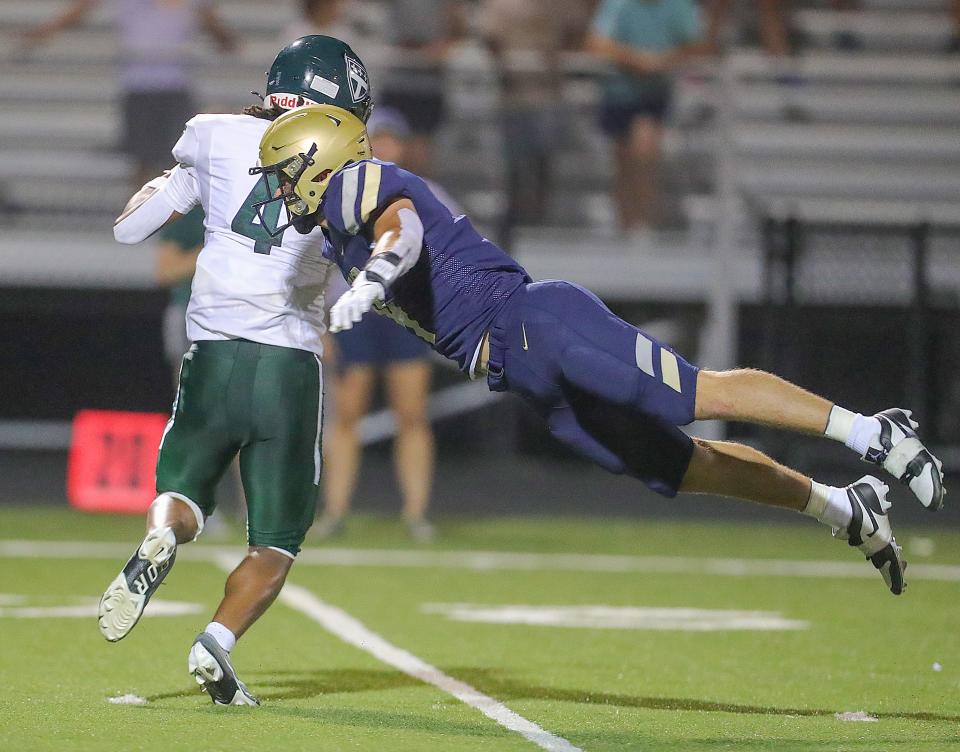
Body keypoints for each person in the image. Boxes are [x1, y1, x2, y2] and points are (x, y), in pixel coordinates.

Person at [251, 104, 947, 600]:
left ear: (319, 160)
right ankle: (841, 507)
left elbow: (400, 232)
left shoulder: (357, 185)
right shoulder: (335, 234)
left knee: (695, 396)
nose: (282, 190)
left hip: (539, 324)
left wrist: (375, 277)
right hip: (520, 374)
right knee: (685, 468)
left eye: (286, 172)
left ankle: (873, 431)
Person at [98, 36, 374, 707]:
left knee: (185, 492)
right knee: (275, 542)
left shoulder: (214, 136)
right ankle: (215, 640)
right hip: (289, 365)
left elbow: (130, 232)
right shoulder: (353, 169)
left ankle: (163, 535)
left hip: (213, 352)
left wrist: (178, 182)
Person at [315, 109, 454, 543]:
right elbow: (318, 260)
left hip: (405, 312)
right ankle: (334, 512)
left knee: (411, 414)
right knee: (345, 415)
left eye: (394, 140)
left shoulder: (427, 194)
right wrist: (321, 323)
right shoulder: (342, 194)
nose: (387, 148)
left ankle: (415, 513)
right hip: (355, 311)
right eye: (381, 139)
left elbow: (457, 251)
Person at [22, 0, 237, 189]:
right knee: (141, 159)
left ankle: (172, 223)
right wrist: (45, 32)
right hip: (139, 86)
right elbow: (81, 8)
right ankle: (142, 218)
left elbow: (218, 32)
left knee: (178, 158)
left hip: (174, 85)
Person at [586, 0, 707, 234]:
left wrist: (665, 59)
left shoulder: (678, 6)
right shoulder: (618, 4)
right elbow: (596, 43)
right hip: (618, 93)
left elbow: (699, 45)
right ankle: (626, 227)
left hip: (654, 97)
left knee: (645, 151)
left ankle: (643, 226)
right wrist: (636, 59)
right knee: (622, 164)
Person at [479, 0, 591, 231]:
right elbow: (490, 39)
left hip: (549, 94)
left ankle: (540, 220)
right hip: (513, 95)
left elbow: (578, 29)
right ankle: (515, 222)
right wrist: (506, 64)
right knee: (515, 165)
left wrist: (558, 55)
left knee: (544, 161)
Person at [379, 0, 468, 176]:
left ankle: (420, 192)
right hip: (398, 68)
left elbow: (458, 18)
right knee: (392, 139)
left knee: (420, 148)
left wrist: (445, 45)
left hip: (429, 75)